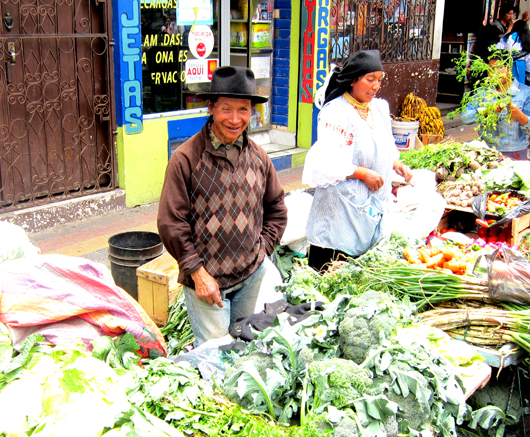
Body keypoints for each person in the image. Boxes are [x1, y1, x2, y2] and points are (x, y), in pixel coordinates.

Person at [157, 66, 288, 347]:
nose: (234, 118)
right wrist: (198, 273)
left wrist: (262, 249)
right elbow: (172, 224)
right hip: (206, 284)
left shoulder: (259, 158)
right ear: (211, 108)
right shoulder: (186, 159)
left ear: (252, 111)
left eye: (243, 109)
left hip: (250, 276)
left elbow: (276, 207)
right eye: (226, 109)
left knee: (242, 344)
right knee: (216, 356)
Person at [302, 50, 413, 272]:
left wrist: (396, 163)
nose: (375, 86)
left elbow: (385, 143)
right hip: (340, 209)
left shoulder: (379, 108)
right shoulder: (336, 113)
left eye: (379, 80)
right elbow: (326, 161)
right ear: (353, 80)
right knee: (331, 276)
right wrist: (362, 173)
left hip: (367, 207)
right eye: (369, 79)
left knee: (357, 276)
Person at [461, 52, 530, 160]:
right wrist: (487, 110)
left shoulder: (525, 92)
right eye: (490, 69)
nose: (494, 73)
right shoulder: (483, 92)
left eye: (498, 68)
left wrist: (519, 115)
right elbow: (465, 117)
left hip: (514, 151)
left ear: (509, 69)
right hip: (487, 151)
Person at [497, 19, 530, 84]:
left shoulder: (511, 35)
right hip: (522, 65)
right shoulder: (527, 38)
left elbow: (507, 49)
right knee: (519, 85)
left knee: (509, 84)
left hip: (510, 63)